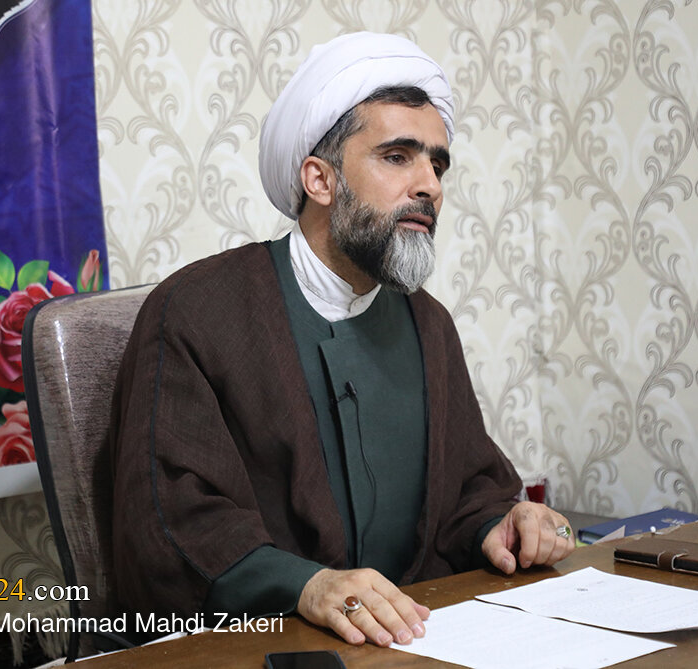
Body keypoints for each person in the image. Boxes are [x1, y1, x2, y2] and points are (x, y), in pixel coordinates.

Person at [109, 31, 574, 648]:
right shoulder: (196, 311)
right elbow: (169, 524)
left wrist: (503, 523)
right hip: (263, 644)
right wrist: (305, 586)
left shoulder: (428, 324)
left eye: (437, 164)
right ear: (320, 180)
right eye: (398, 157)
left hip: (414, 639)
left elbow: (466, 490)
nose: (430, 185)